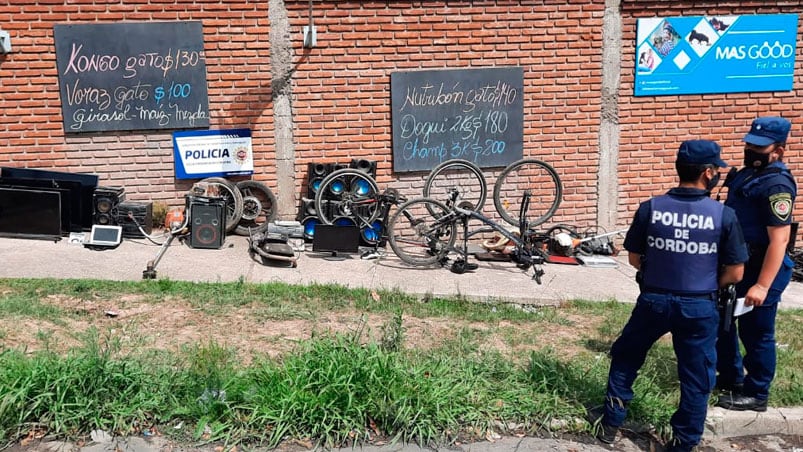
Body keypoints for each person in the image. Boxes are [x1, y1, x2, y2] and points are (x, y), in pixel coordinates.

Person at [595, 140, 748, 452]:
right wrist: (705, 282)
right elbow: (736, 273)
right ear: (708, 173)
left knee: (627, 356)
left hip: (654, 300)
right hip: (699, 306)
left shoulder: (651, 208)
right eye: (716, 169)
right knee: (696, 376)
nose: (717, 173)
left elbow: (634, 258)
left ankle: (611, 421)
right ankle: (683, 442)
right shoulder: (723, 215)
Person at [716, 117, 797, 412]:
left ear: (778, 150)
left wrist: (762, 285)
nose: (751, 149)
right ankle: (731, 379)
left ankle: (757, 393)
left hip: (762, 266)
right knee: (723, 322)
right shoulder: (747, 174)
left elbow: (780, 240)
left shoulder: (777, 184)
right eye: (749, 143)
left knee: (757, 331)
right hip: (738, 261)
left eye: (759, 146)